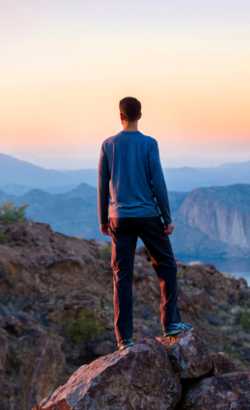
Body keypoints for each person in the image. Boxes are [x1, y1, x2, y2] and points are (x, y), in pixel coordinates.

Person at [97, 96, 192, 350]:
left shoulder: (108, 144)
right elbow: (158, 182)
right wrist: (167, 217)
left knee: (122, 276)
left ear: (120, 116)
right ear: (140, 115)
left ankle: (124, 339)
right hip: (148, 216)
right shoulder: (149, 144)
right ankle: (170, 323)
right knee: (167, 267)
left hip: (118, 218)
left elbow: (102, 183)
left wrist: (103, 219)